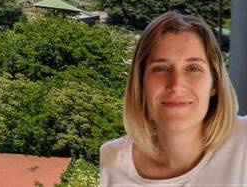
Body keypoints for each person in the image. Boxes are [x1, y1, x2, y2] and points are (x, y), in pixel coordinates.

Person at [101, 11, 246, 185]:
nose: (176, 85)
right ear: (140, 84)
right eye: (161, 68)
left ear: (214, 83)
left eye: (193, 68)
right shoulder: (111, 162)